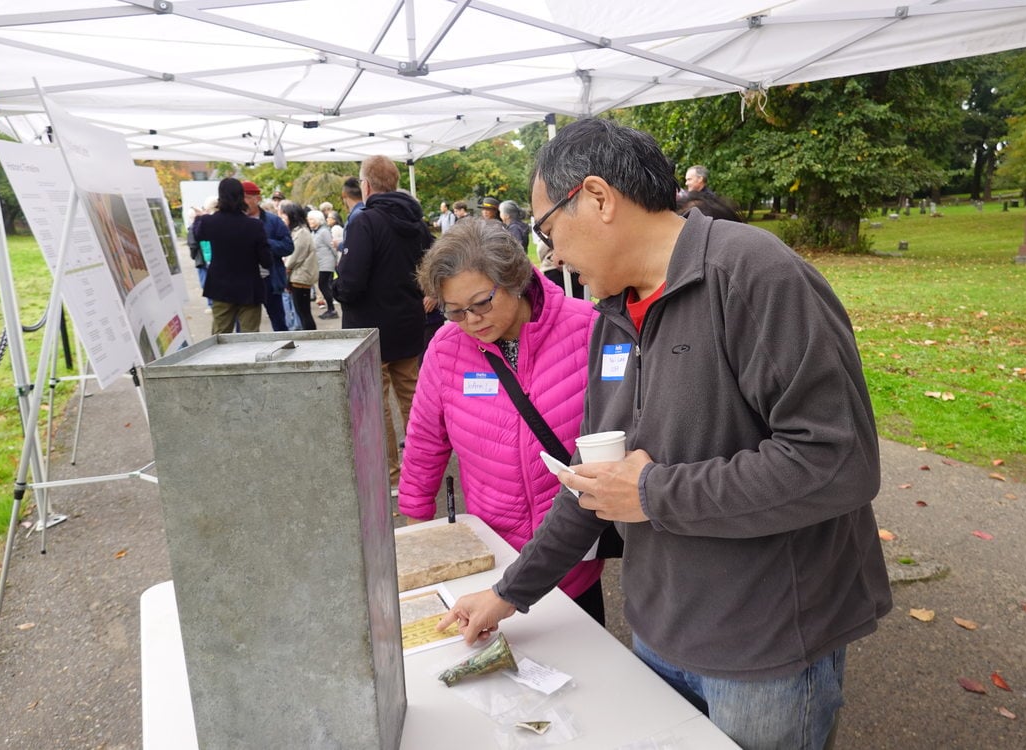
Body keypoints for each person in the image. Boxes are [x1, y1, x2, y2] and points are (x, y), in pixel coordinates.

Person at [440, 118, 892, 750]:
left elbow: (837, 461)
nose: (550, 256)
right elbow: (593, 481)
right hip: (658, 630)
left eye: (547, 230)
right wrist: (509, 594)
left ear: (597, 199)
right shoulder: (613, 316)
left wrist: (654, 494)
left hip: (763, 647)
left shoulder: (756, 276)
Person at [399, 219, 605, 621]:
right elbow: (424, 445)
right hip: (491, 561)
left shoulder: (589, 330)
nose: (472, 320)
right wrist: (416, 535)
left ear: (512, 279)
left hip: (572, 562)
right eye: (455, 311)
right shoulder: (446, 349)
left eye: (482, 303)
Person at [333, 156, 434, 492]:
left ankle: (392, 474)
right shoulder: (416, 222)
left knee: (376, 402)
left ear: (366, 185)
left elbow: (351, 282)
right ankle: (424, 466)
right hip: (407, 322)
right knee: (413, 396)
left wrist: (335, 287)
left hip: (369, 329)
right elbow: (433, 266)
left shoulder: (366, 222)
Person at [198, 178, 272, 334]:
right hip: (249, 287)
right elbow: (266, 261)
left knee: (220, 336)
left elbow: (197, 234)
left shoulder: (209, 222)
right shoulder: (255, 226)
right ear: (241, 196)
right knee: (249, 337)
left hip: (220, 286)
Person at [241, 180, 293, 331]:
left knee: (278, 321)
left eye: (246, 197)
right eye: (240, 197)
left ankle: (285, 349)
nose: (242, 202)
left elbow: (288, 247)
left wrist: (265, 242)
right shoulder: (237, 222)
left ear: (257, 198)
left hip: (270, 279)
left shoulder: (273, 221)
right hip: (245, 281)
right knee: (245, 326)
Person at [279, 201, 318, 331]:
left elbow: (294, 256)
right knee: (302, 312)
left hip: (301, 277)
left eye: (284, 217)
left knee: (304, 312)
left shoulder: (301, 232)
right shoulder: (298, 231)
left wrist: (286, 266)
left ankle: (311, 338)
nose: (282, 220)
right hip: (298, 276)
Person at [187, 196, 217, 311]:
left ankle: (211, 304)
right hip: (207, 258)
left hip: (205, 259)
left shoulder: (198, 226)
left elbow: (193, 244)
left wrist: (193, 255)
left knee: (206, 282)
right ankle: (211, 303)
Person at [308, 209, 339, 319]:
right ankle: (330, 309)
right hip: (319, 264)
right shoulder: (314, 232)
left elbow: (333, 247)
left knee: (323, 285)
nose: (309, 221)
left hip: (326, 263)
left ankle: (332, 310)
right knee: (323, 286)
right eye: (309, 219)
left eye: (311, 219)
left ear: (318, 219)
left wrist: (337, 261)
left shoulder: (324, 231)